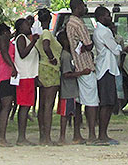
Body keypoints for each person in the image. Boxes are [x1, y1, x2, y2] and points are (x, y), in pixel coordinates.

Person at [65, 0, 98, 141]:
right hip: (85, 66)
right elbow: (89, 45)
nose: (85, 9)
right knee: (91, 102)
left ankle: (77, 135)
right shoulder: (79, 23)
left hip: (76, 64)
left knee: (78, 103)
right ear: (78, 7)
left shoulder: (69, 23)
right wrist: (87, 46)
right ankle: (92, 134)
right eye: (83, 6)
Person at [91, 6, 120, 145]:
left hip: (106, 68)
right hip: (106, 69)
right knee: (106, 103)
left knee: (108, 103)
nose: (110, 18)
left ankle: (103, 134)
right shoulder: (104, 31)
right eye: (108, 15)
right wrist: (119, 46)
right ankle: (102, 135)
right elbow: (115, 49)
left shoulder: (99, 31)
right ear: (101, 17)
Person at [56, 28, 87, 144]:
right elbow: (66, 74)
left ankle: (76, 135)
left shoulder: (70, 54)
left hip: (73, 89)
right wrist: (81, 73)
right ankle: (62, 137)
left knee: (75, 113)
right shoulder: (65, 56)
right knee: (65, 114)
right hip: (67, 90)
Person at [35, 8, 60, 145]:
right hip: (50, 69)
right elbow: (46, 46)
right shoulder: (46, 34)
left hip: (42, 69)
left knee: (43, 105)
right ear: (49, 20)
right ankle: (47, 137)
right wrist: (52, 58)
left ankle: (42, 135)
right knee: (48, 105)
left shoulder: (40, 34)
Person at [14, 16, 39, 145]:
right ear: (20, 28)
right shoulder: (21, 39)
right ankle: (21, 137)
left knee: (26, 106)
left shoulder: (25, 38)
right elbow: (23, 54)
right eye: (25, 24)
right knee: (24, 107)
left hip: (29, 75)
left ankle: (22, 137)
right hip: (24, 75)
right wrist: (33, 42)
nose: (29, 26)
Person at [0, 22, 16, 146]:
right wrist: (13, 67)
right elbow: (5, 53)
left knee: (3, 106)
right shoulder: (4, 39)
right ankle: (1, 137)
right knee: (6, 106)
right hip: (5, 74)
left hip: (2, 74)